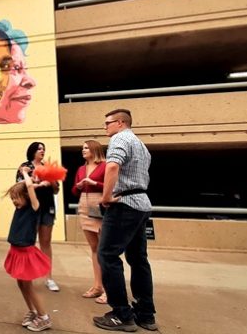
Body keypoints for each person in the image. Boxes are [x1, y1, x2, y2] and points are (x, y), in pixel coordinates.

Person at [94, 109, 158, 332]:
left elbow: (112, 166)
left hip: (124, 203)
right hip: (142, 204)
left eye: (107, 123)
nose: (105, 127)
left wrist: (105, 197)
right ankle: (146, 314)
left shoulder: (120, 138)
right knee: (138, 259)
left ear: (120, 123)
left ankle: (121, 314)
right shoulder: (141, 145)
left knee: (107, 255)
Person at [4, 169, 53, 332]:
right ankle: (32, 311)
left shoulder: (34, 207)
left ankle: (44, 317)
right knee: (21, 284)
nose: (14, 201)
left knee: (28, 286)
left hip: (26, 252)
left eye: (16, 198)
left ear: (26, 196)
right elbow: (29, 186)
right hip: (16, 250)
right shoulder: (20, 208)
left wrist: (25, 174)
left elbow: (30, 187)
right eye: (12, 198)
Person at [16, 142, 60, 292]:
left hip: (47, 208)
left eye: (43, 148)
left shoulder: (48, 166)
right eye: (39, 148)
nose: (42, 150)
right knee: (29, 242)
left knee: (45, 242)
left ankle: (49, 277)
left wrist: (52, 180)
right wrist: (29, 177)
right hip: (31, 208)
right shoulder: (24, 166)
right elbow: (18, 188)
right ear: (33, 151)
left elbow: (56, 190)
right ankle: (29, 274)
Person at [72, 140, 108, 304]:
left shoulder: (105, 165)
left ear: (94, 149)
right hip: (85, 205)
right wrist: (79, 186)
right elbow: (73, 190)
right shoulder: (80, 169)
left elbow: (112, 185)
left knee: (104, 249)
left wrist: (95, 183)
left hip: (100, 204)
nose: (83, 151)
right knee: (94, 247)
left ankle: (109, 289)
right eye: (82, 148)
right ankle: (97, 285)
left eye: (86, 148)